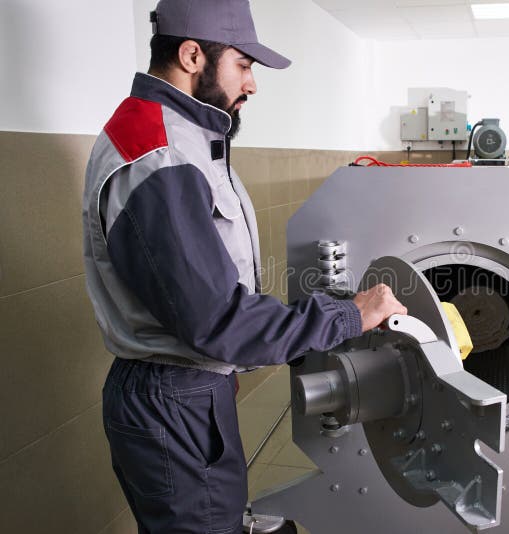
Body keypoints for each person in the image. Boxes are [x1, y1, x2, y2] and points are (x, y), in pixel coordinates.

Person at [81, 1, 407, 532]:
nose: (251, 84)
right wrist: (348, 315)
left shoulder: (185, 138)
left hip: (185, 390)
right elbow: (217, 319)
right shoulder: (161, 153)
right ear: (192, 56)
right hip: (174, 398)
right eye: (243, 65)